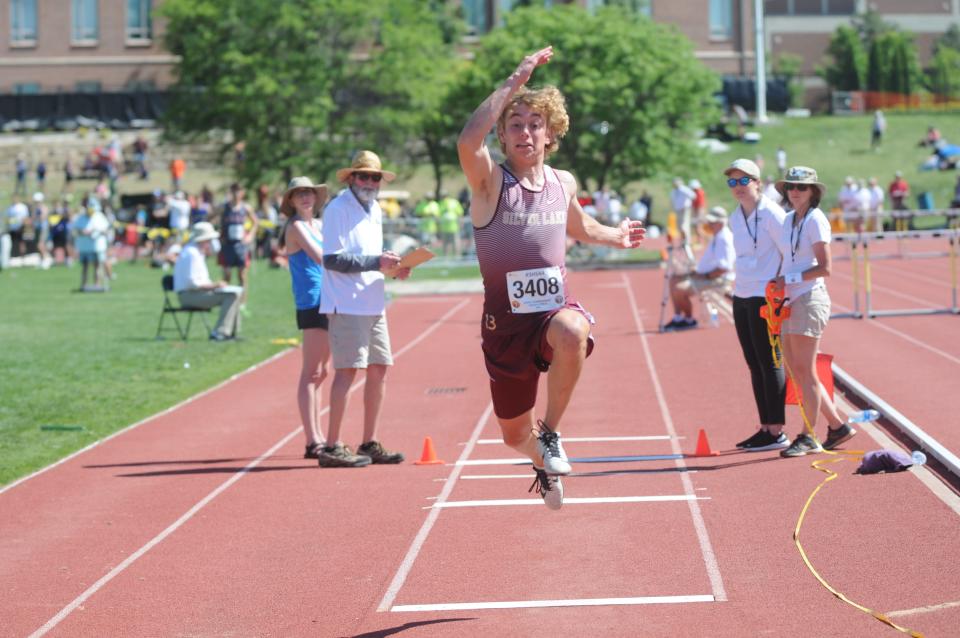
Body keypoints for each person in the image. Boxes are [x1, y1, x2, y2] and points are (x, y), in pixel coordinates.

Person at [457, 46, 645, 509]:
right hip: (505, 325)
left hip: (551, 315)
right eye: (515, 125)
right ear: (502, 135)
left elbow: (580, 227)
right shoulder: (491, 183)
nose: (525, 133)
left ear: (550, 133)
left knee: (574, 329)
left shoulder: (564, 183)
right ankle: (537, 454)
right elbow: (466, 142)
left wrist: (615, 237)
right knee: (511, 435)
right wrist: (516, 80)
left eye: (534, 125)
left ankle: (553, 433)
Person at [319, 150, 411, 468]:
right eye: (364, 176)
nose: (370, 182)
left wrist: (393, 267)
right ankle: (331, 445)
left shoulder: (374, 210)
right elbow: (331, 259)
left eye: (375, 177)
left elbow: (370, 256)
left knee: (379, 368)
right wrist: (377, 262)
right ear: (351, 178)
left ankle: (369, 441)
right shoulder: (337, 209)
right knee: (347, 371)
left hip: (372, 300)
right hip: (345, 302)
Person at [771, 166, 855, 457]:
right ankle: (837, 426)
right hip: (790, 301)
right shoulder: (788, 220)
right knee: (797, 371)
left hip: (809, 298)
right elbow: (787, 260)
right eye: (791, 187)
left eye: (802, 187)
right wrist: (776, 285)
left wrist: (788, 280)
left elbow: (825, 268)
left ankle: (809, 435)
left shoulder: (816, 220)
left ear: (813, 192)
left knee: (805, 372)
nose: (795, 191)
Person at [724, 158, 789, 452]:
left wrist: (781, 283)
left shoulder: (773, 214)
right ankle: (765, 426)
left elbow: (790, 250)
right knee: (753, 363)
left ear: (757, 183)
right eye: (732, 182)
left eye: (743, 181)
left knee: (770, 360)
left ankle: (776, 429)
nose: (738, 187)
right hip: (742, 294)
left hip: (766, 295)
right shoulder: (734, 217)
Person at [278, 177, 336, 462]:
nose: (305, 198)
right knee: (311, 372)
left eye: (309, 193)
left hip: (329, 297)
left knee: (322, 372)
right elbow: (322, 258)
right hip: (311, 300)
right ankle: (312, 439)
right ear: (290, 201)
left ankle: (319, 435)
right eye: (298, 194)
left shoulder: (320, 225)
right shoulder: (296, 227)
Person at [663, 206, 735, 331]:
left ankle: (689, 319)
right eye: (710, 221)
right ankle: (679, 317)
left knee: (679, 288)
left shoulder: (724, 239)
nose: (710, 224)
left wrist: (703, 275)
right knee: (673, 279)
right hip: (707, 274)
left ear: (721, 222)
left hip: (716, 279)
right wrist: (697, 271)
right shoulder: (718, 235)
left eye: (713, 222)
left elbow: (724, 268)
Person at [173, 221, 243, 341]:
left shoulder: (194, 252)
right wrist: (215, 285)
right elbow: (193, 283)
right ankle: (221, 332)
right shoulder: (192, 254)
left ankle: (230, 332)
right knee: (231, 296)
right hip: (189, 296)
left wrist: (215, 286)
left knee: (234, 294)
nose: (211, 243)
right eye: (209, 240)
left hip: (191, 294)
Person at [216, 183, 258, 312]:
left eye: (238, 191)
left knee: (242, 275)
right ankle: (224, 302)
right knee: (227, 275)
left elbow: (256, 222)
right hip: (227, 244)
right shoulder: (224, 207)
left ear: (242, 192)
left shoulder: (246, 208)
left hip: (241, 245)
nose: (236, 193)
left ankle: (242, 303)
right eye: (233, 190)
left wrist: (250, 235)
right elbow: (213, 218)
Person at [73, 198, 110, 290]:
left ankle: (97, 284)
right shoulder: (81, 217)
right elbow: (76, 230)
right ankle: (84, 284)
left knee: (97, 265)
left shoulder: (99, 216)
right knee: (85, 266)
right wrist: (83, 232)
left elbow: (105, 229)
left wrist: (96, 231)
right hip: (85, 247)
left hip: (97, 246)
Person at [670, 177, 695, 248]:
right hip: (678, 210)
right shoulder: (674, 191)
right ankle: (683, 240)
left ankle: (687, 241)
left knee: (684, 226)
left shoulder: (683, 189)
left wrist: (686, 204)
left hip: (685, 210)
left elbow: (693, 195)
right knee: (679, 227)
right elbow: (673, 201)